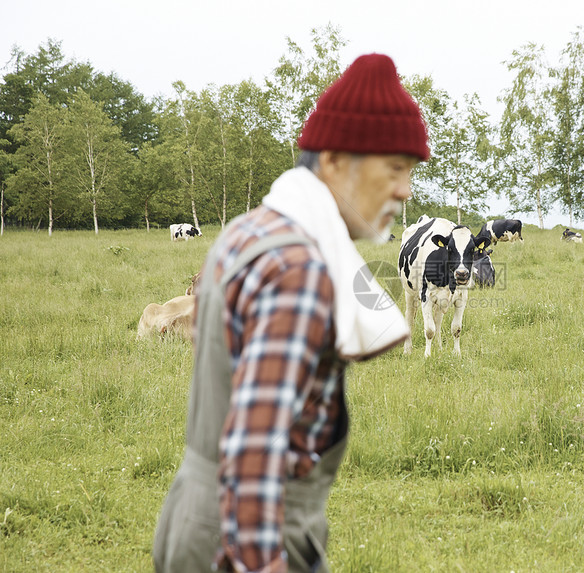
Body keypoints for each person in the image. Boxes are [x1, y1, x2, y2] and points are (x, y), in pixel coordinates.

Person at [152, 53, 429, 573]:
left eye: (410, 171)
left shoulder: (249, 230)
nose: (404, 190)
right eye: (394, 168)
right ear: (335, 161)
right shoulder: (300, 270)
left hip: (193, 516)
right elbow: (253, 450)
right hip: (249, 537)